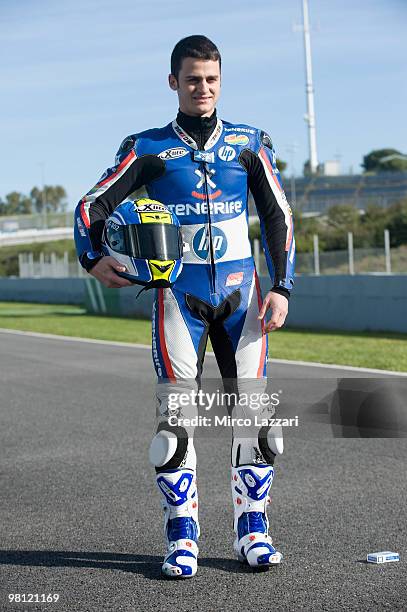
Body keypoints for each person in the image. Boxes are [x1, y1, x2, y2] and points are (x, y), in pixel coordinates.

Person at [74, 35, 295, 578]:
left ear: (222, 81)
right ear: (174, 82)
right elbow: (91, 206)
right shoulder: (148, 148)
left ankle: (253, 532)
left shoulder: (249, 143)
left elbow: (278, 216)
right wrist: (93, 257)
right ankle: (182, 537)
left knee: (260, 423)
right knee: (175, 425)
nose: (204, 88)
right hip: (178, 299)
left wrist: (282, 286)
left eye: (212, 79)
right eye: (193, 79)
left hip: (243, 299)